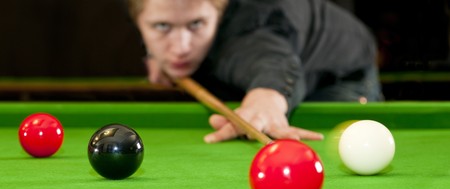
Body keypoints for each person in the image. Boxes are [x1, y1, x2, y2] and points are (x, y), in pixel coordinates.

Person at [126, 0, 383, 143]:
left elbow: (272, 62)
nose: (181, 48)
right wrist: (155, 53)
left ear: (220, 8)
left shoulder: (249, 30)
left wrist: (265, 100)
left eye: (196, 24)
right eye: (162, 26)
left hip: (337, 73)